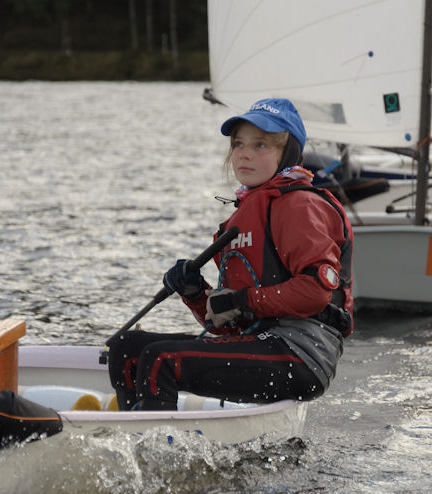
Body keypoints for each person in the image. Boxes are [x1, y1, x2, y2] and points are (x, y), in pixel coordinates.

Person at [107, 98, 353, 411]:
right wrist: (197, 293)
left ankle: (157, 452)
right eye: (238, 144)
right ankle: (131, 436)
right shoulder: (240, 218)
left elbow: (315, 293)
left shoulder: (300, 205)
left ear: (288, 152)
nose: (244, 153)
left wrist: (241, 300)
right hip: (261, 344)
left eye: (261, 145)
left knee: (161, 360)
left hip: (303, 354)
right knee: (125, 347)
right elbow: (228, 327)